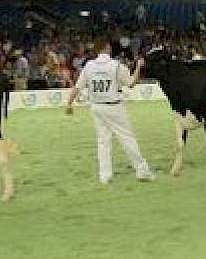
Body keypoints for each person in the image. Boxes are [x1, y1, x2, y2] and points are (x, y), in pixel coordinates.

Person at [65, 37, 153, 185]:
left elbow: (77, 87)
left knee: (103, 141)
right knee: (127, 138)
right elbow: (131, 83)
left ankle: (105, 175)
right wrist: (138, 66)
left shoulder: (89, 65)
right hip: (114, 106)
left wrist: (69, 104)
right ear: (106, 48)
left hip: (97, 107)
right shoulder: (116, 65)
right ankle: (142, 170)